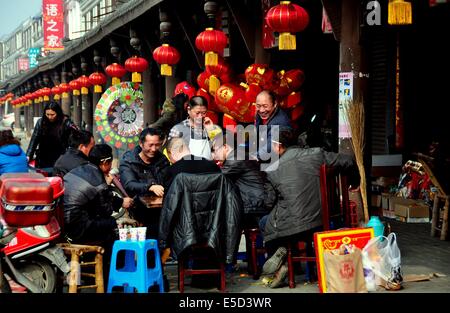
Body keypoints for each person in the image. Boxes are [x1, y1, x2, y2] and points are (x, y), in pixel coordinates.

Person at [260, 128, 355, 288]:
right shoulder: (316, 154)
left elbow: (269, 203)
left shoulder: (272, 169)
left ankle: (285, 263)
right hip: (320, 220)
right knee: (287, 221)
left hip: (290, 226)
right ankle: (285, 258)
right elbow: (348, 160)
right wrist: (354, 181)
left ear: (278, 146)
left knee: (265, 222)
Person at [119, 127, 170, 237]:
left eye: (157, 145)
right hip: (138, 209)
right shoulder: (129, 160)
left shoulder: (162, 160)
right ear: (141, 144)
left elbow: (168, 181)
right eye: (150, 145)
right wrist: (150, 186)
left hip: (161, 209)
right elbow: (129, 184)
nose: (154, 149)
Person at [212, 132, 268, 228]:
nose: (214, 154)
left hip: (254, 205)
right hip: (259, 201)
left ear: (225, 147)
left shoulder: (234, 159)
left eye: (215, 150)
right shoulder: (242, 155)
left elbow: (216, 179)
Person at [26, 101, 77, 174]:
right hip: (43, 157)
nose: (50, 117)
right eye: (48, 114)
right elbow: (34, 140)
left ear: (58, 113)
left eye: (52, 114)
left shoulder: (65, 122)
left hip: (60, 157)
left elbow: (74, 138)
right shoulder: (41, 122)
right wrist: (28, 155)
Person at [168, 95, 221, 160]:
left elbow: (220, 150)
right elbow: (171, 154)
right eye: (197, 113)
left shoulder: (209, 126)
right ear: (188, 110)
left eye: (203, 113)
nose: (200, 116)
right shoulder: (178, 129)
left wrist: (211, 130)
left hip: (207, 168)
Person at [254, 90, 292, 162]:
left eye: (265, 106)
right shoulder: (259, 114)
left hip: (275, 161)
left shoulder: (281, 122)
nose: (261, 110)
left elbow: (271, 145)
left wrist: (255, 157)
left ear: (275, 104)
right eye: (258, 106)